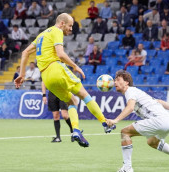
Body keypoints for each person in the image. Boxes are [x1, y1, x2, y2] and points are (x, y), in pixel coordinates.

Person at [14, 13, 115, 147]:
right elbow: (60, 54)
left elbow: (25, 53)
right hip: (56, 69)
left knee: (71, 101)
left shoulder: (41, 35)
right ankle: (104, 122)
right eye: (70, 25)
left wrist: (21, 75)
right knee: (84, 95)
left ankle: (76, 130)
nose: (71, 29)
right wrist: (75, 66)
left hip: (46, 77)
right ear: (62, 23)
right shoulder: (57, 31)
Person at [106, 70, 169, 172]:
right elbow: (159, 102)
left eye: (118, 80)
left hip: (158, 120)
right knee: (152, 142)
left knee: (125, 132)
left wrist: (115, 120)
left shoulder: (130, 91)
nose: (114, 83)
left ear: (126, 82)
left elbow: (130, 107)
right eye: (115, 80)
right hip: (168, 121)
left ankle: (127, 168)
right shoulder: (137, 92)